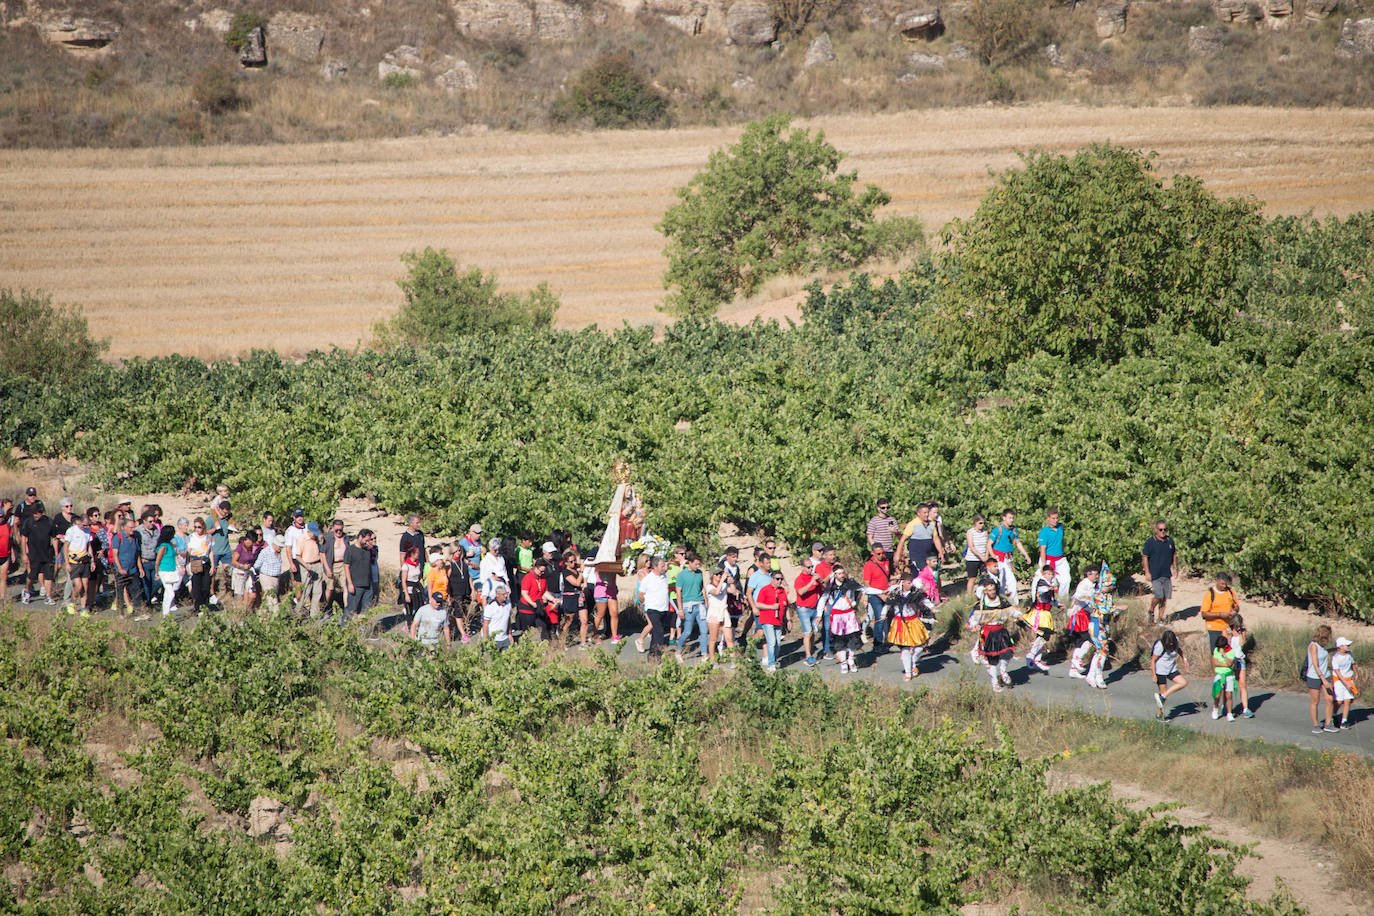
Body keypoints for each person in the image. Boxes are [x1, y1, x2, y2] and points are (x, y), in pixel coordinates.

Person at [1071, 563, 1118, 689]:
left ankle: (1093, 674)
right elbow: (1103, 609)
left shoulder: (1108, 596)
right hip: (1096, 624)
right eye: (1109, 585)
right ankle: (1092, 673)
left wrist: (1116, 612)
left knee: (1103, 651)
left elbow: (1110, 609)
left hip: (1104, 625)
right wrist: (1116, 608)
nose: (1111, 588)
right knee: (1099, 648)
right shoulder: (1096, 594)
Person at [887, 577, 931, 682]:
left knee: (920, 646)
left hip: (913, 622)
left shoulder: (914, 593)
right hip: (900, 623)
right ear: (903, 583)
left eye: (911, 582)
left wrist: (932, 607)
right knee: (905, 649)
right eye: (908, 582)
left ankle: (912, 662)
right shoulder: (895, 593)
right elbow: (888, 604)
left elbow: (924, 600)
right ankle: (908, 672)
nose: (911, 584)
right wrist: (884, 613)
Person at [823, 565, 863, 674]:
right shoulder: (830, 588)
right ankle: (843, 663)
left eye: (842, 573)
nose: (841, 575)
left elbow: (863, 589)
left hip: (849, 614)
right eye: (839, 573)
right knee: (840, 640)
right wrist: (818, 615)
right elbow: (823, 600)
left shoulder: (850, 584)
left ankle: (851, 660)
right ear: (834, 575)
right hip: (837, 616)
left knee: (852, 639)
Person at [988, 509, 1032, 605]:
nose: (1011, 520)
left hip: (1008, 559)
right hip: (999, 559)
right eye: (1009, 518)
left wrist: (1026, 555)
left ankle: (1011, 604)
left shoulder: (1013, 529)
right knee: (1004, 582)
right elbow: (989, 544)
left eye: (1012, 518)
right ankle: (1003, 603)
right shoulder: (998, 529)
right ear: (1004, 518)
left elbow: (1018, 543)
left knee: (1009, 582)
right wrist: (993, 557)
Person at [21, 501, 59, 605]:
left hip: (47, 554)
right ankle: (26, 591)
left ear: (42, 512)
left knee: (49, 576)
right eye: (34, 513)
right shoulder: (29, 522)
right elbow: (24, 538)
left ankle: (48, 596)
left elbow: (54, 538)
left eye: (37, 513)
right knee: (32, 576)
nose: (35, 515)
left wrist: (56, 553)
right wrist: (24, 553)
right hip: (34, 554)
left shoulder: (49, 522)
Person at [1141, 519, 1177, 625]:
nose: (1163, 531)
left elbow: (1174, 554)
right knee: (1158, 595)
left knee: (1165, 597)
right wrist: (1147, 572)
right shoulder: (1150, 542)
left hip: (1166, 573)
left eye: (1165, 529)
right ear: (1156, 529)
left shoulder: (1170, 541)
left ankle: (1160, 618)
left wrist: (1175, 567)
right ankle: (1151, 610)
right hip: (1155, 573)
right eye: (1160, 529)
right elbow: (1145, 556)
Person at [1022, 564, 1057, 674]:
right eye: (1048, 574)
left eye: (1051, 574)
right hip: (1039, 613)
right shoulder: (1042, 583)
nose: (1050, 576)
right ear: (1043, 574)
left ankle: (1036, 659)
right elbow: (1042, 591)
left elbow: (1049, 599)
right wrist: (1051, 588)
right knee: (1043, 635)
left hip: (1046, 613)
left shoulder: (1048, 584)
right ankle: (1031, 654)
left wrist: (1057, 604)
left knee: (1043, 636)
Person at [674, 552, 707, 660]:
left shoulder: (699, 573)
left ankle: (704, 653)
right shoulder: (682, 575)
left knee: (704, 630)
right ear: (690, 563)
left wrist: (706, 601)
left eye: (699, 564)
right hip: (688, 606)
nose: (698, 566)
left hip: (700, 605)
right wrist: (680, 609)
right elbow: (678, 592)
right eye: (696, 564)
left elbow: (702, 588)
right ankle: (678, 650)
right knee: (687, 631)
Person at [60, 510, 93, 615]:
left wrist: (92, 561)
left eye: (88, 525)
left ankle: (83, 608)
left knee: (85, 586)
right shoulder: (71, 531)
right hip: (74, 562)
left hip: (85, 562)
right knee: (78, 586)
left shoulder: (88, 531)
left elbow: (89, 546)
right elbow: (66, 547)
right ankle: (72, 602)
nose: (86, 527)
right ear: (79, 522)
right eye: (84, 525)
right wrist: (67, 563)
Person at [1151, 629, 1189, 720]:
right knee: (1162, 694)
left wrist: (1184, 659)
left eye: (1172, 643)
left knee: (1183, 682)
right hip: (1160, 670)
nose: (1171, 645)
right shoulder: (1160, 646)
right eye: (1169, 643)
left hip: (1171, 669)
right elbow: (1153, 660)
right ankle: (1159, 715)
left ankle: (1163, 696)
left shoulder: (1176, 640)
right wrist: (1154, 675)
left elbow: (1179, 650)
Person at [1306, 625, 1337, 734]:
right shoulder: (1313, 646)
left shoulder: (1322, 646)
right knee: (1315, 701)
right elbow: (1315, 664)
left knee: (1329, 699)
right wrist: (1323, 679)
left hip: (1325, 674)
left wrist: (1335, 649)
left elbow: (1323, 653)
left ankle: (1328, 723)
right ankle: (1315, 724)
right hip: (1315, 676)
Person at [755, 570, 788, 672]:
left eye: (781, 579)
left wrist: (789, 620)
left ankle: (774, 659)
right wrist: (771, 607)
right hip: (767, 619)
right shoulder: (765, 589)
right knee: (772, 642)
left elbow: (786, 606)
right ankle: (771, 664)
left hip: (778, 620)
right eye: (777, 579)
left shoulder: (782, 591)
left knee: (778, 643)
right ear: (772, 579)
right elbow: (758, 604)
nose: (779, 581)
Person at [1036, 508, 1070, 604]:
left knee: (1066, 580)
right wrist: (1043, 565)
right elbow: (1043, 549)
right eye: (1053, 518)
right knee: (1047, 583)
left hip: (1060, 560)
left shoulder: (1061, 527)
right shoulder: (1044, 532)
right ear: (1048, 518)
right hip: (1048, 560)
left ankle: (1063, 602)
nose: (1055, 520)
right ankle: (1044, 603)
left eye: (1057, 518)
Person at [792, 557, 822, 667]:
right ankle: (808, 656)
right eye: (808, 567)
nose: (811, 569)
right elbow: (800, 592)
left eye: (812, 567)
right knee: (807, 632)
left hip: (814, 607)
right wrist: (811, 582)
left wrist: (820, 581)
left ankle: (811, 652)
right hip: (803, 608)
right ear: (803, 568)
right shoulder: (799, 579)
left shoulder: (813, 578)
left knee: (814, 632)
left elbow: (821, 591)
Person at [640, 556, 672, 658]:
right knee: (659, 631)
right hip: (652, 609)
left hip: (663, 608)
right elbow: (640, 594)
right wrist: (644, 602)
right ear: (655, 567)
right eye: (662, 566)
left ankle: (651, 655)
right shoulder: (648, 579)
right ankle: (658, 655)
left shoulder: (664, 577)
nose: (664, 567)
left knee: (656, 633)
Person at [340, 528, 375, 622]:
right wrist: (350, 584)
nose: (367, 542)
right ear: (360, 537)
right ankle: (344, 629)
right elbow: (346, 567)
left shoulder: (368, 550)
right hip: (356, 584)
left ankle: (363, 631)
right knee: (351, 609)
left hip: (368, 584)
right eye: (366, 540)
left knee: (366, 610)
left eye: (369, 540)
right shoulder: (350, 550)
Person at [862, 543, 892, 646]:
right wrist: (881, 595)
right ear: (873, 553)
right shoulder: (869, 565)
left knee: (886, 617)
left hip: (886, 592)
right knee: (879, 618)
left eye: (882, 553)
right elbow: (867, 585)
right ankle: (877, 643)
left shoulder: (886, 561)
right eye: (878, 553)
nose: (881, 555)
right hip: (875, 595)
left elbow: (886, 577)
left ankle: (886, 639)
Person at [110, 516, 142, 616]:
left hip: (132, 569)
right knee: (120, 592)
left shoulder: (135, 538)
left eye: (134, 528)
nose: (133, 530)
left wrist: (140, 568)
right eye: (131, 528)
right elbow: (115, 554)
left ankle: (139, 612)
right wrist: (119, 568)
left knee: (136, 591)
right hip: (122, 569)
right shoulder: (118, 537)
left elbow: (137, 554)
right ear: (124, 527)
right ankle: (120, 613)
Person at [293, 522, 326, 616]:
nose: (315, 535)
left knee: (318, 591)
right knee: (306, 590)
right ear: (308, 531)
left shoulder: (316, 539)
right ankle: (298, 612)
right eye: (313, 533)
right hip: (306, 566)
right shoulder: (302, 539)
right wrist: (306, 565)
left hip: (317, 564)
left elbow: (320, 552)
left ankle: (314, 614)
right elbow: (298, 556)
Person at [704, 569, 735, 667]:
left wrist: (730, 580)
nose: (719, 576)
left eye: (720, 574)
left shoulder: (724, 585)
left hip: (723, 611)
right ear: (713, 575)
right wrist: (722, 580)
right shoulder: (709, 587)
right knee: (713, 638)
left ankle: (734, 661)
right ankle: (713, 661)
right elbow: (717, 592)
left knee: (729, 638)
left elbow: (733, 591)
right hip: (714, 612)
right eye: (717, 574)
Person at [184, 516, 215, 613]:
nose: (197, 529)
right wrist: (187, 565)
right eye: (195, 527)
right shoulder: (191, 537)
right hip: (195, 563)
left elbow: (210, 551)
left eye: (199, 527)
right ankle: (198, 607)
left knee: (206, 586)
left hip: (205, 562)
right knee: (196, 587)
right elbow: (188, 552)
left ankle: (204, 604)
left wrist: (213, 565)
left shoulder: (209, 537)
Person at [1228, 617, 1254, 719]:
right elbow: (1227, 647)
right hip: (1230, 661)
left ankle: (1245, 708)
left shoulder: (1241, 634)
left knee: (1242, 685)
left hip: (1240, 660)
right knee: (1229, 685)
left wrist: (1242, 634)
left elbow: (1242, 644)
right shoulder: (1228, 633)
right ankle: (1226, 707)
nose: (1239, 627)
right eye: (1237, 625)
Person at [321, 519, 349, 612]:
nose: (338, 532)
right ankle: (325, 607)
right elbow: (323, 554)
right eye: (336, 530)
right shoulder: (328, 538)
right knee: (330, 588)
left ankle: (346, 608)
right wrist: (327, 569)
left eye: (340, 530)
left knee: (346, 586)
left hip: (343, 564)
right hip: (331, 565)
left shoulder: (345, 538)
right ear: (333, 528)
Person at [1331, 637, 1358, 730]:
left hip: (1348, 679)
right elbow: (1337, 671)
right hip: (1339, 681)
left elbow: (1353, 664)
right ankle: (1334, 715)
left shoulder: (1349, 654)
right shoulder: (1335, 657)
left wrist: (1355, 673)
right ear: (1341, 646)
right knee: (1339, 701)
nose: (1349, 646)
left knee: (1348, 700)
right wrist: (1345, 682)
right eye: (1347, 645)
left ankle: (1344, 721)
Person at [154, 524, 180, 616]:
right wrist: (156, 573)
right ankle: (166, 613)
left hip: (171, 570)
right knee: (170, 593)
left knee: (168, 592)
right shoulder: (163, 546)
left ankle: (166, 612)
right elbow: (158, 561)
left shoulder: (170, 545)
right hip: (164, 571)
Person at [1211, 632, 1237, 722]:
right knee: (1217, 694)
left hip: (1229, 675)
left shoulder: (1231, 651)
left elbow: (1230, 663)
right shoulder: (1216, 650)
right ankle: (1215, 709)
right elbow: (1215, 662)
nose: (1219, 649)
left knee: (1229, 695)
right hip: (1219, 675)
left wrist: (1224, 655)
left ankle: (1229, 713)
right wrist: (1225, 664)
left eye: (1221, 647)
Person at [254, 534, 286, 605]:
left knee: (269, 600)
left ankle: (264, 614)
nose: (281, 548)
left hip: (276, 579)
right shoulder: (265, 552)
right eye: (280, 546)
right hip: (266, 578)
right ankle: (276, 615)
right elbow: (257, 565)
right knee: (273, 600)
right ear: (275, 544)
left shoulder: (279, 553)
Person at [963, 514, 990, 595]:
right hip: (972, 559)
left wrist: (986, 556)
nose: (982, 525)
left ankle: (984, 594)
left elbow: (987, 544)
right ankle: (969, 596)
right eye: (980, 523)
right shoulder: (970, 532)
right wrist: (980, 556)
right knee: (972, 578)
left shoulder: (985, 532)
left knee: (985, 577)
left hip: (983, 558)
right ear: (975, 522)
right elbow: (971, 546)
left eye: (983, 523)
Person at [482, 583, 513, 649]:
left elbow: (508, 620)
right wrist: (486, 640)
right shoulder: (491, 606)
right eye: (503, 594)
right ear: (497, 595)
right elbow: (485, 624)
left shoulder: (508, 604)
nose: (506, 596)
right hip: (494, 639)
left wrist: (509, 634)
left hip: (505, 638)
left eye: (506, 593)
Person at [400, 544, 424, 625]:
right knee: (409, 610)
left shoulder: (418, 564)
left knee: (418, 608)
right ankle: (409, 626)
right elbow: (403, 581)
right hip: (409, 590)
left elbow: (420, 577)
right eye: (417, 552)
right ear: (412, 553)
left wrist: (423, 589)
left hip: (417, 589)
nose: (418, 554)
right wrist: (406, 594)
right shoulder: (406, 566)